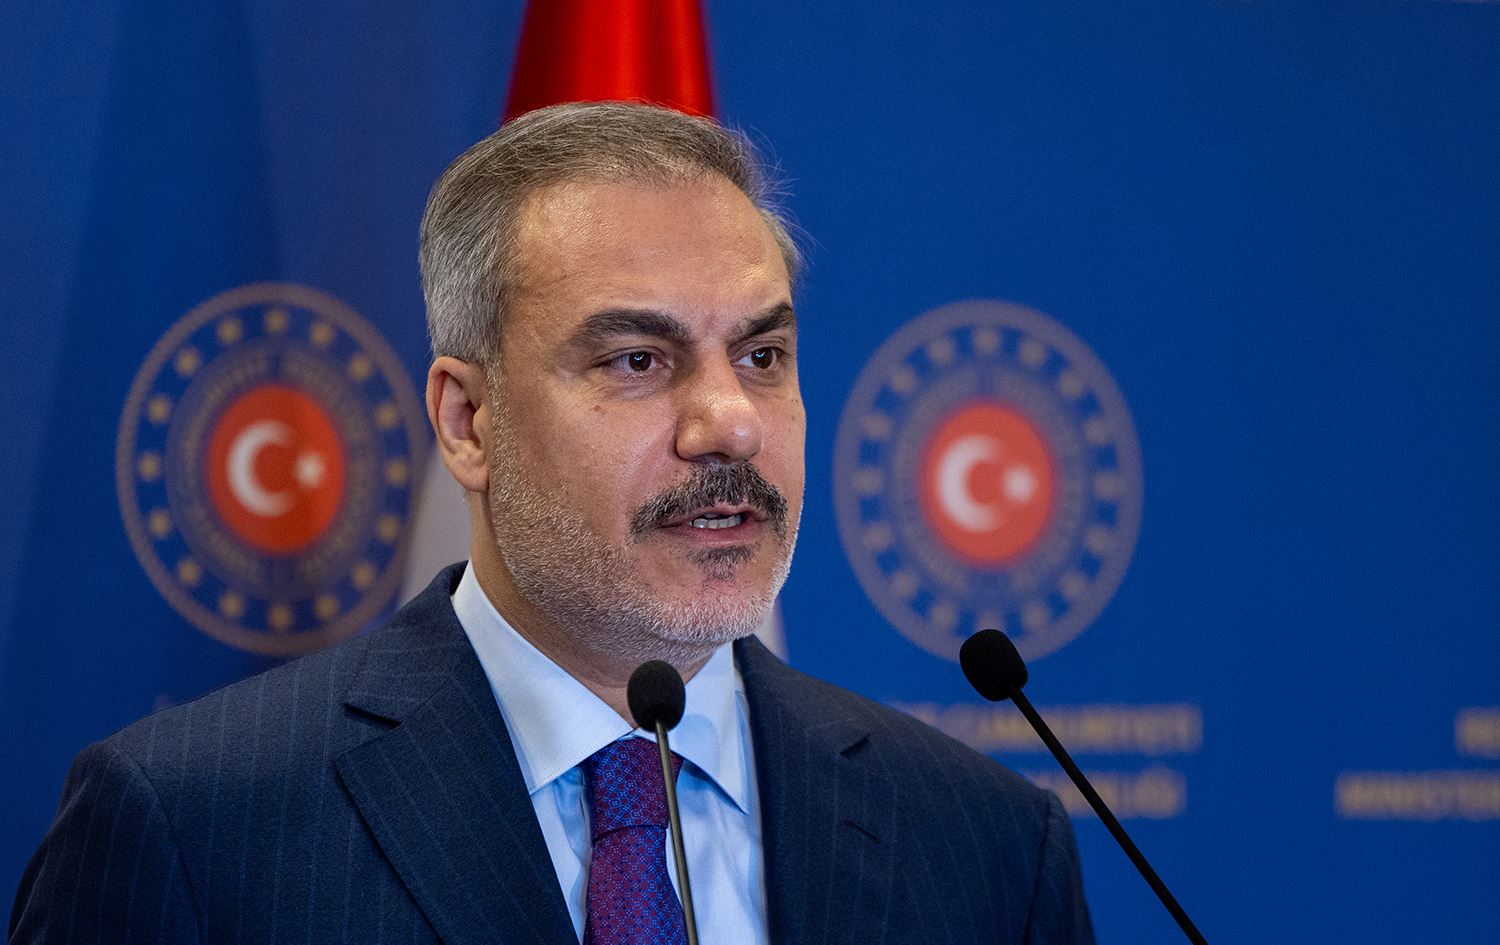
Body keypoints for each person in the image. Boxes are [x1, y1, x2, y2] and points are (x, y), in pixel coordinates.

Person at [9, 102, 1093, 945]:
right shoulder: (193, 826)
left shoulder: (987, 842)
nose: (730, 424)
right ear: (468, 421)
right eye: (639, 360)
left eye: (762, 355)